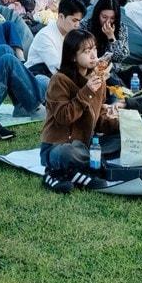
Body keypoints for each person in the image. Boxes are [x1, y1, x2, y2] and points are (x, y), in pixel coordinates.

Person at [38, 28, 118, 193]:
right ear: (73, 56)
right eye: (87, 51)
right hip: (58, 147)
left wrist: (119, 122)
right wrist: (87, 92)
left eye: (94, 49)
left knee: (124, 137)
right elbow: (64, 117)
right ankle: (91, 166)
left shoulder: (98, 80)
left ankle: (81, 169)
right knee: (67, 152)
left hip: (87, 146)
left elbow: (98, 121)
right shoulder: (59, 80)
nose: (94, 55)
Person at [24, 0, 86, 76]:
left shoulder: (71, 34)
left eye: (79, 21)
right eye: (74, 20)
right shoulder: (46, 36)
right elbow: (58, 70)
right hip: (35, 78)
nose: (77, 25)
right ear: (61, 16)